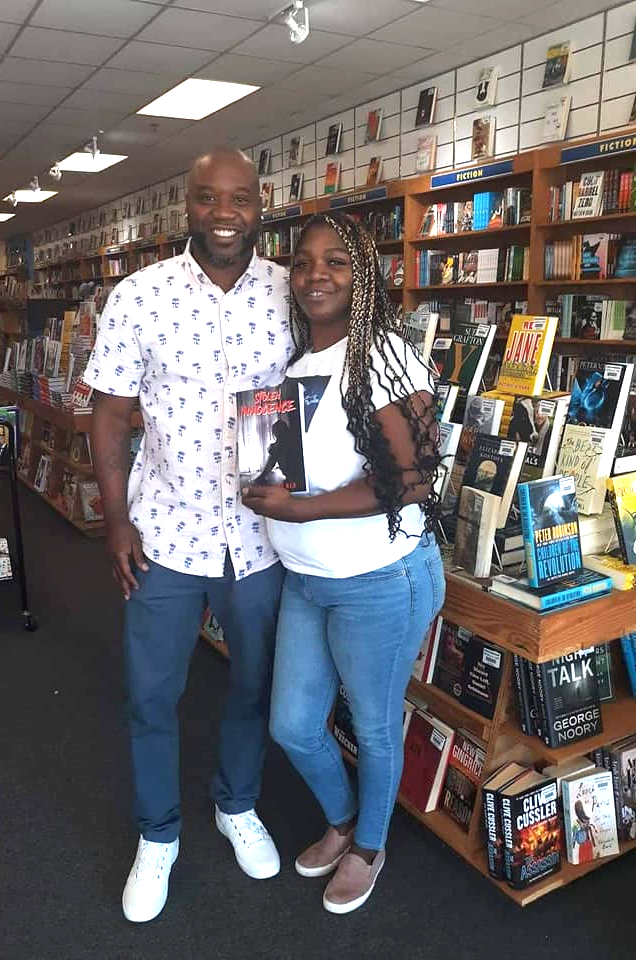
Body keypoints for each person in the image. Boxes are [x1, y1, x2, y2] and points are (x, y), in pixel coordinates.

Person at [84, 147, 293, 923]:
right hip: (165, 534)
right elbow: (107, 412)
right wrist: (114, 521)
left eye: (240, 199)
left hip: (263, 540)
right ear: (188, 206)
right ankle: (158, 836)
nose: (226, 214)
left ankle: (235, 805)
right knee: (151, 694)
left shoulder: (290, 291)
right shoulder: (139, 296)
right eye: (209, 199)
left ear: (259, 204)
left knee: (253, 683)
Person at [242, 212, 445, 914]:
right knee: (293, 726)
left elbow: (414, 480)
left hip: (376, 579)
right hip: (308, 579)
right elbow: (309, 472)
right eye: (302, 263)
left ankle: (370, 844)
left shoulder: (385, 355)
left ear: (363, 278)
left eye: (335, 261)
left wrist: (302, 510)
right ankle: (342, 820)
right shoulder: (296, 369)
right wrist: (269, 487)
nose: (314, 274)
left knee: (376, 724)